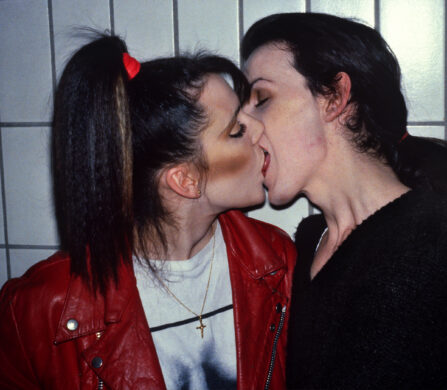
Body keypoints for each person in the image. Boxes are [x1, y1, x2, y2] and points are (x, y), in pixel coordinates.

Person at [0, 34, 296, 390]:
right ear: (185, 180)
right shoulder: (41, 311)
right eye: (236, 131)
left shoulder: (278, 264)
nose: (261, 129)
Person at [241, 12, 447, 389]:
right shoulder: (307, 240)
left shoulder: (432, 241)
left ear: (334, 97)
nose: (242, 121)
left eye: (262, 98)